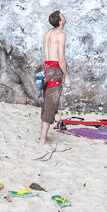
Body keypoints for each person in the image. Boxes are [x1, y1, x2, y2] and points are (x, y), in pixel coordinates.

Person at [39, 10, 69, 150]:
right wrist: (67, 75)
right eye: (63, 15)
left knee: (46, 102)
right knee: (51, 104)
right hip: (55, 70)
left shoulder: (48, 34)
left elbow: (47, 55)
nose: (65, 16)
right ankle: (43, 141)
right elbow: (61, 58)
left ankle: (43, 137)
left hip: (46, 69)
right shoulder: (61, 35)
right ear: (60, 21)